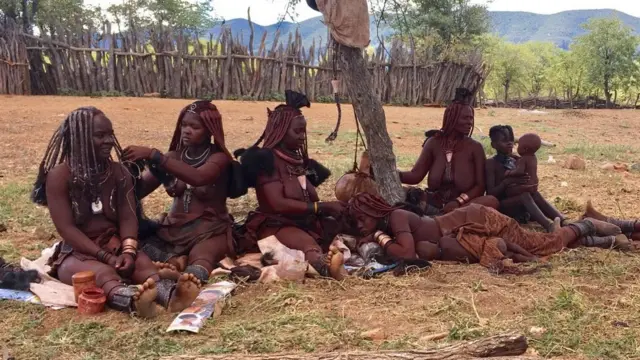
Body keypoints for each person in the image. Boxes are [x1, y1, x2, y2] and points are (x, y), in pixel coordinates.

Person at [32, 107, 201, 318]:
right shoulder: (59, 176)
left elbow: (128, 215)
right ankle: (132, 302)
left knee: (143, 265)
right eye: (100, 135)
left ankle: (171, 297)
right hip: (78, 252)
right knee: (101, 274)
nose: (109, 141)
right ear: (80, 138)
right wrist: (105, 257)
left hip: (117, 245)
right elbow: (66, 229)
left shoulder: (119, 172)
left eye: (110, 134)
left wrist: (129, 250)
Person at [122, 100, 245, 285]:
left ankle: (186, 280)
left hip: (209, 230)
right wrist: (130, 172)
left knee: (203, 256)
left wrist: (155, 155)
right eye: (184, 125)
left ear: (210, 130)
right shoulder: (173, 157)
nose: (186, 130)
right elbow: (138, 191)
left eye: (195, 127)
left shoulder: (219, 159)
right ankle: (173, 263)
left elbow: (198, 177)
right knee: (136, 247)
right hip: (172, 229)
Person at [348, 192, 630, 271]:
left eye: (362, 219)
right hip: (466, 230)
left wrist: (377, 238)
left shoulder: (396, 218)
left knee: (543, 244)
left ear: (375, 212)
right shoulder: (393, 221)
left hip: (476, 221)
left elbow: (407, 253)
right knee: (538, 245)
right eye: (356, 222)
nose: (360, 225)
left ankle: (586, 224)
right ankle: (603, 239)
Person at [235, 90, 348, 280]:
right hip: (277, 224)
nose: (302, 136)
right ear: (280, 130)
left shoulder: (299, 161)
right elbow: (276, 204)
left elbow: (308, 196)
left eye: (304, 131)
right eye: (297, 131)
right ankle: (327, 269)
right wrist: (321, 207)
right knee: (307, 244)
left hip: (306, 221)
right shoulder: (266, 160)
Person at [399, 88, 499, 216]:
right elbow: (415, 175)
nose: (469, 122)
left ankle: (444, 219)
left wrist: (458, 202)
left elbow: (480, 186)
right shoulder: (433, 143)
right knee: (401, 193)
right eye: (465, 118)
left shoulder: (475, 148)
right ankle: (439, 218)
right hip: (433, 202)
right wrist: (391, 174)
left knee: (491, 201)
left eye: (471, 118)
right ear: (451, 118)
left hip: (462, 207)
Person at [485, 125, 566, 232]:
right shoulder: (491, 163)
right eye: (504, 141)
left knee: (535, 194)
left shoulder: (515, 159)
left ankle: (562, 220)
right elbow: (491, 193)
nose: (510, 143)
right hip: (503, 205)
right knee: (525, 196)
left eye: (511, 140)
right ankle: (549, 226)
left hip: (519, 202)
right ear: (493, 145)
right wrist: (507, 182)